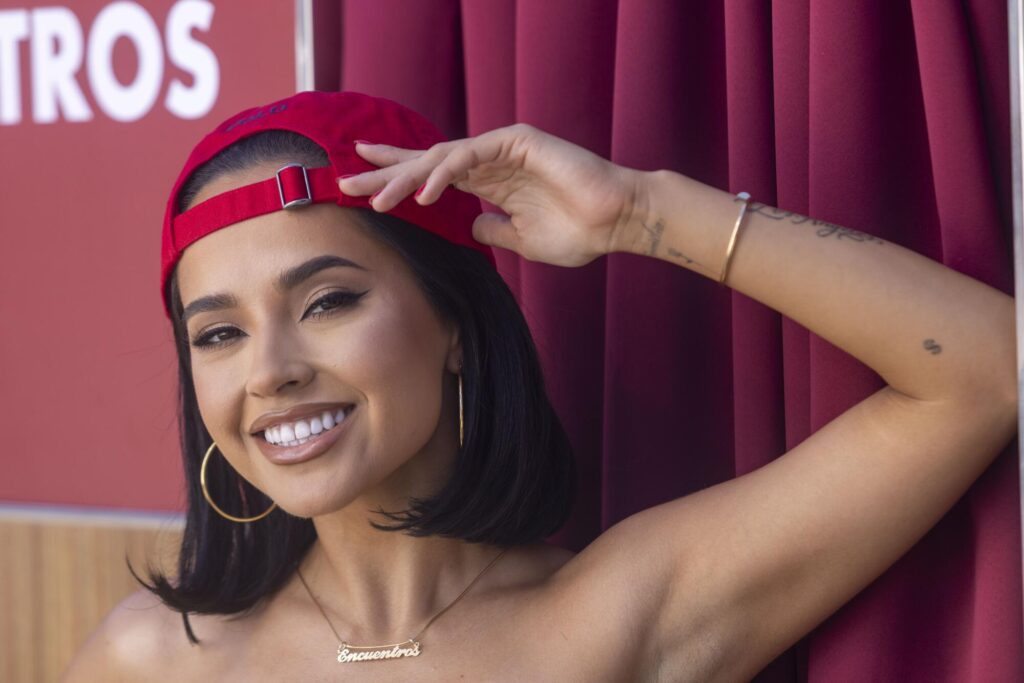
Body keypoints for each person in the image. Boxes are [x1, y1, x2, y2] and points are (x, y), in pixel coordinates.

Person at [62, 90, 1017, 682]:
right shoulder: (149, 659)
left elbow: (986, 371)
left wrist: (641, 211)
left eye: (327, 301)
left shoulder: (615, 613)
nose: (269, 369)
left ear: (451, 325)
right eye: (219, 332)